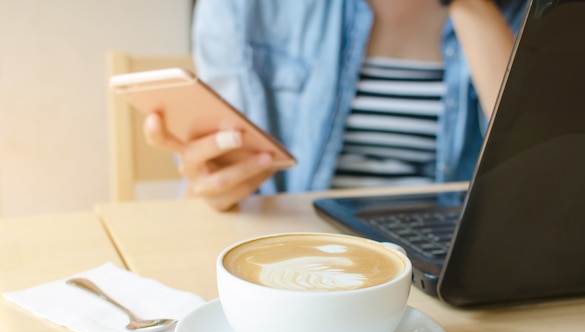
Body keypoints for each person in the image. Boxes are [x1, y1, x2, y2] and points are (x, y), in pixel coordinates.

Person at [144, 0, 529, 211]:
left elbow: (545, 168)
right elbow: (210, 195)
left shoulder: (529, 12)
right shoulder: (244, 8)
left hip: (449, 270)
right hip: (298, 260)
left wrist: (472, 6)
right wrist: (210, 186)